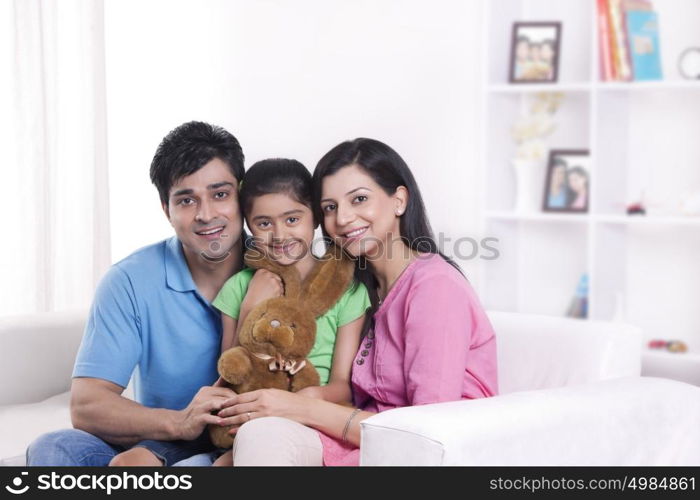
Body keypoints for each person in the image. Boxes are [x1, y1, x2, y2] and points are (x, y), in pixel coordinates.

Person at [198, 138, 498, 466]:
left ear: (399, 200)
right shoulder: (367, 287)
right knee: (258, 439)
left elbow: (426, 432)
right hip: (361, 442)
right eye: (330, 207)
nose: (343, 218)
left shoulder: (434, 287)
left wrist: (302, 406)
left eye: (359, 199)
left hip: (416, 453)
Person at [26, 121, 248, 466]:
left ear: (242, 196)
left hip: (245, 442)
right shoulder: (129, 280)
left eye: (220, 194)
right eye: (186, 200)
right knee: (54, 449)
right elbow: (87, 405)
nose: (206, 215)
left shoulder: (277, 268)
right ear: (166, 209)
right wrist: (179, 422)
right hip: (158, 443)